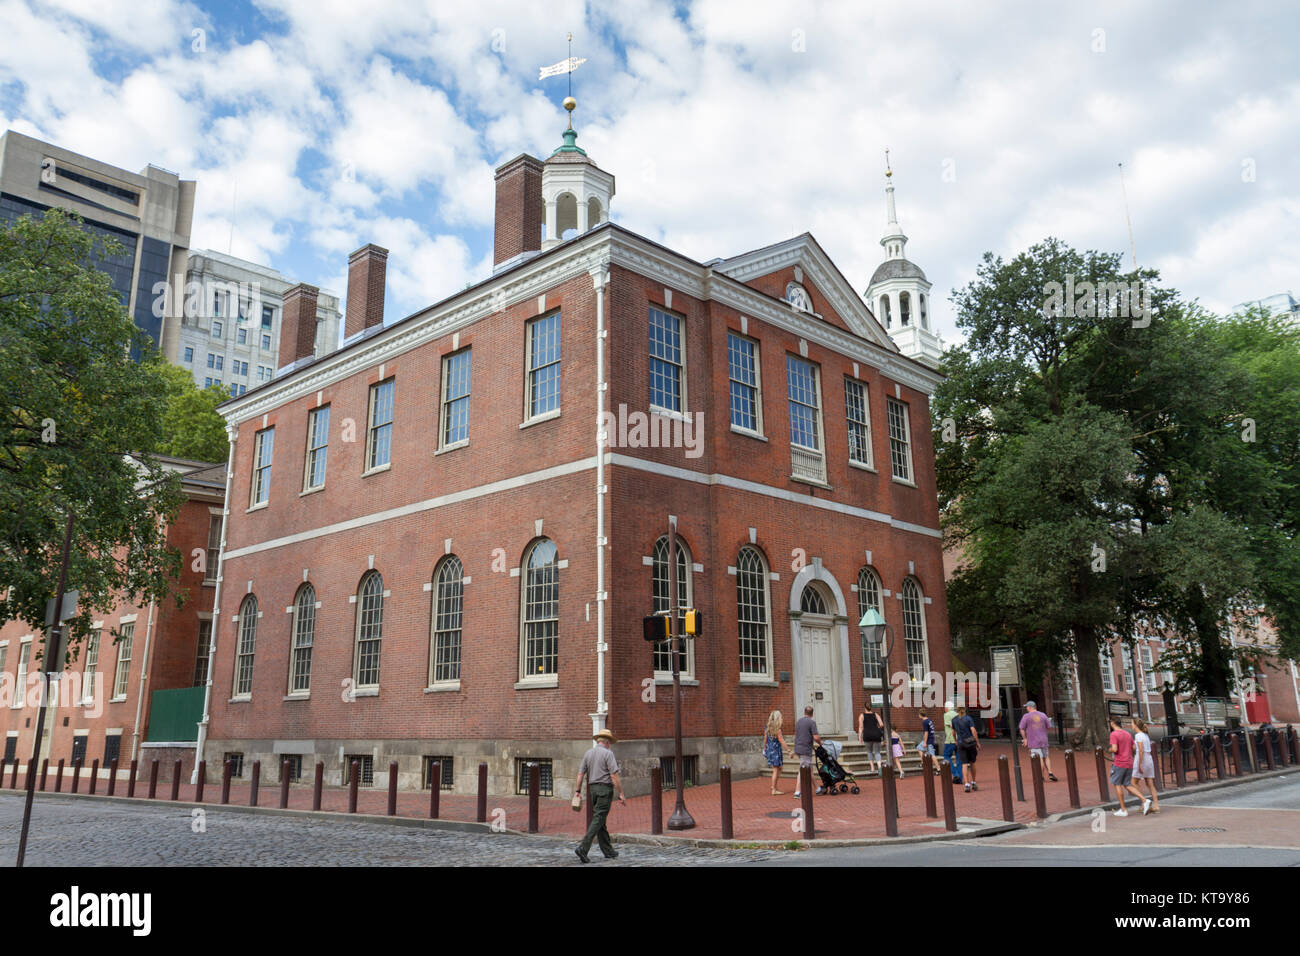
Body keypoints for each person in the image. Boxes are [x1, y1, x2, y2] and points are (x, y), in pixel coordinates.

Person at [573, 728, 626, 863]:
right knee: (598, 819)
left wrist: (577, 791)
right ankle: (583, 848)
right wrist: (621, 793)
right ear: (607, 742)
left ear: (599, 741)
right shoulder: (608, 754)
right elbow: (614, 775)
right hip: (605, 789)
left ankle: (608, 851)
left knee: (600, 818)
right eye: (610, 743)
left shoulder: (588, 753)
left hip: (593, 790)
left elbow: (580, 774)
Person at [1107, 716, 1148, 817]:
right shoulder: (1127, 734)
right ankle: (1144, 800)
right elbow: (1134, 747)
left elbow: (1115, 749)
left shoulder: (1113, 734)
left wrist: (1110, 750)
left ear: (1112, 723)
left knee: (1117, 784)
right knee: (1127, 784)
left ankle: (1123, 809)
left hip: (1119, 763)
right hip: (1129, 762)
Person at [1018, 700, 1057, 782]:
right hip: (1044, 739)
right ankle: (1050, 773)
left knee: (1039, 758)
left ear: (1029, 707)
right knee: (1046, 756)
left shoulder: (1026, 716)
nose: (1026, 709)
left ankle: (1041, 776)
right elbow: (1049, 726)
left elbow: (1021, 728)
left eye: (1026, 707)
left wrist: (1025, 739)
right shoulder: (1043, 715)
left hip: (1033, 740)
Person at [1130, 716, 1159, 815]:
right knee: (1150, 783)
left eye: (1132, 723)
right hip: (1149, 759)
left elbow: (1140, 750)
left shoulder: (1138, 735)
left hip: (1141, 759)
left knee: (1133, 782)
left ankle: (1144, 802)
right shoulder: (1145, 735)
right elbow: (1137, 747)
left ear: (1135, 725)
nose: (1131, 725)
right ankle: (1156, 805)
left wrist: (1139, 764)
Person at [792, 705, 821, 798]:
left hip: (798, 748)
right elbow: (816, 737)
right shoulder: (811, 722)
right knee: (803, 769)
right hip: (805, 749)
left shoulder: (799, 722)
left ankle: (817, 788)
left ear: (804, 712)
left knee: (809, 770)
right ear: (812, 714)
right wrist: (821, 743)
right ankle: (797, 791)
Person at [764, 710, 793, 795]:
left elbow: (765, 739)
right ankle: (773, 788)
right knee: (776, 770)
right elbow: (782, 741)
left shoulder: (767, 727)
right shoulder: (777, 729)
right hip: (775, 751)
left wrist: (764, 749)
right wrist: (789, 751)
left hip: (770, 750)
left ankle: (774, 786)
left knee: (779, 768)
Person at [952, 705, 980, 791]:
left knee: (964, 764)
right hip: (970, 743)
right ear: (965, 710)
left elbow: (953, 732)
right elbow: (973, 730)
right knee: (972, 762)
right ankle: (974, 782)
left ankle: (967, 784)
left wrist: (955, 740)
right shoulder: (968, 718)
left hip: (961, 743)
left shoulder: (954, 720)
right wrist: (977, 742)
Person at [858, 701, 885, 775]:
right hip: (876, 735)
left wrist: (860, 736)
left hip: (867, 735)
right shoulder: (876, 714)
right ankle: (879, 768)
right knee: (877, 752)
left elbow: (861, 727)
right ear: (871, 707)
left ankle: (872, 769)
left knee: (869, 752)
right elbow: (882, 724)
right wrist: (877, 728)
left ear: (864, 707)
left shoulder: (862, 715)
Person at [942, 700, 963, 784]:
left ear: (947, 708)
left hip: (951, 739)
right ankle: (960, 778)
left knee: (946, 756)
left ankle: (955, 773)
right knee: (959, 759)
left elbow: (951, 725)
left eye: (945, 708)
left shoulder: (946, 715)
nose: (944, 709)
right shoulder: (957, 714)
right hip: (959, 739)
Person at [917, 709, 939, 775]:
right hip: (931, 738)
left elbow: (926, 732)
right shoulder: (929, 720)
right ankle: (923, 762)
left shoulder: (925, 722)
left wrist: (925, 742)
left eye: (918, 714)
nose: (918, 716)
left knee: (932, 755)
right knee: (919, 748)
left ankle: (938, 768)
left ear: (921, 715)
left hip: (928, 740)